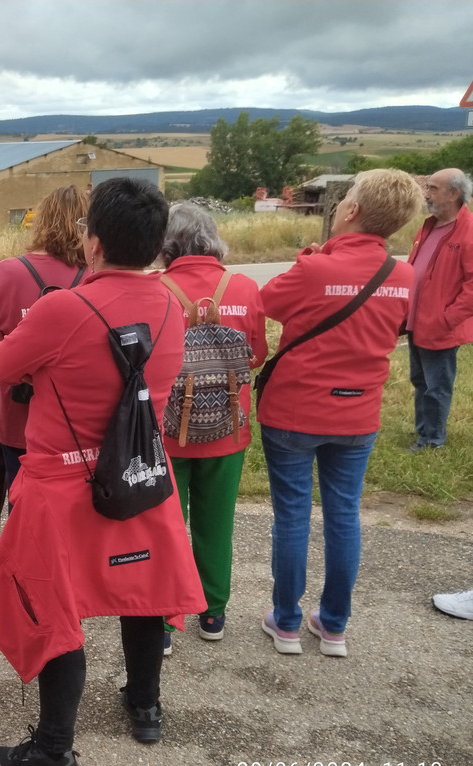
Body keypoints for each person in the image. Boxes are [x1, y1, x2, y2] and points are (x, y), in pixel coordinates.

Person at [0, 178, 206, 766]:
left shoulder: (63, 307)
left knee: (57, 610)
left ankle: (54, 750)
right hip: (139, 468)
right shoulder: (171, 305)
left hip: (62, 480)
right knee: (145, 589)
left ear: (93, 240)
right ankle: (145, 706)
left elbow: (2, 365)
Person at [257, 169, 424, 658]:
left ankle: (286, 623)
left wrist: (313, 259)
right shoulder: (404, 275)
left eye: (347, 196)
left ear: (350, 211)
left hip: (295, 410)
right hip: (358, 414)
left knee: (292, 516)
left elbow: (268, 303)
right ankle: (334, 626)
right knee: (344, 515)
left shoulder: (315, 268)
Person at [158, 203, 267, 652]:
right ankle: (213, 612)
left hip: (164, 432)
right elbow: (256, 355)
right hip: (227, 428)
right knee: (216, 523)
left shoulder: (155, 289)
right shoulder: (243, 287)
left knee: (165, 525)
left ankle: (164, 621)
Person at [0, 185, 89, 498]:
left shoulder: (9, 270)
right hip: (77, 420)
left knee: (22, 508)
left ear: (42, 221)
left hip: (18, 417)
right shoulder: (93, 274)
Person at [405, 168, 473, 452]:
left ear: (454, 193)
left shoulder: (469, 232)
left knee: (437, 386)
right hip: (416, 320)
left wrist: (448, 319)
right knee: (420, 380)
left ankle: (432, 440)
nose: (427, 193)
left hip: (441, 326)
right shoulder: (428, 225)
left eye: (433, 188)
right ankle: (424, 431)